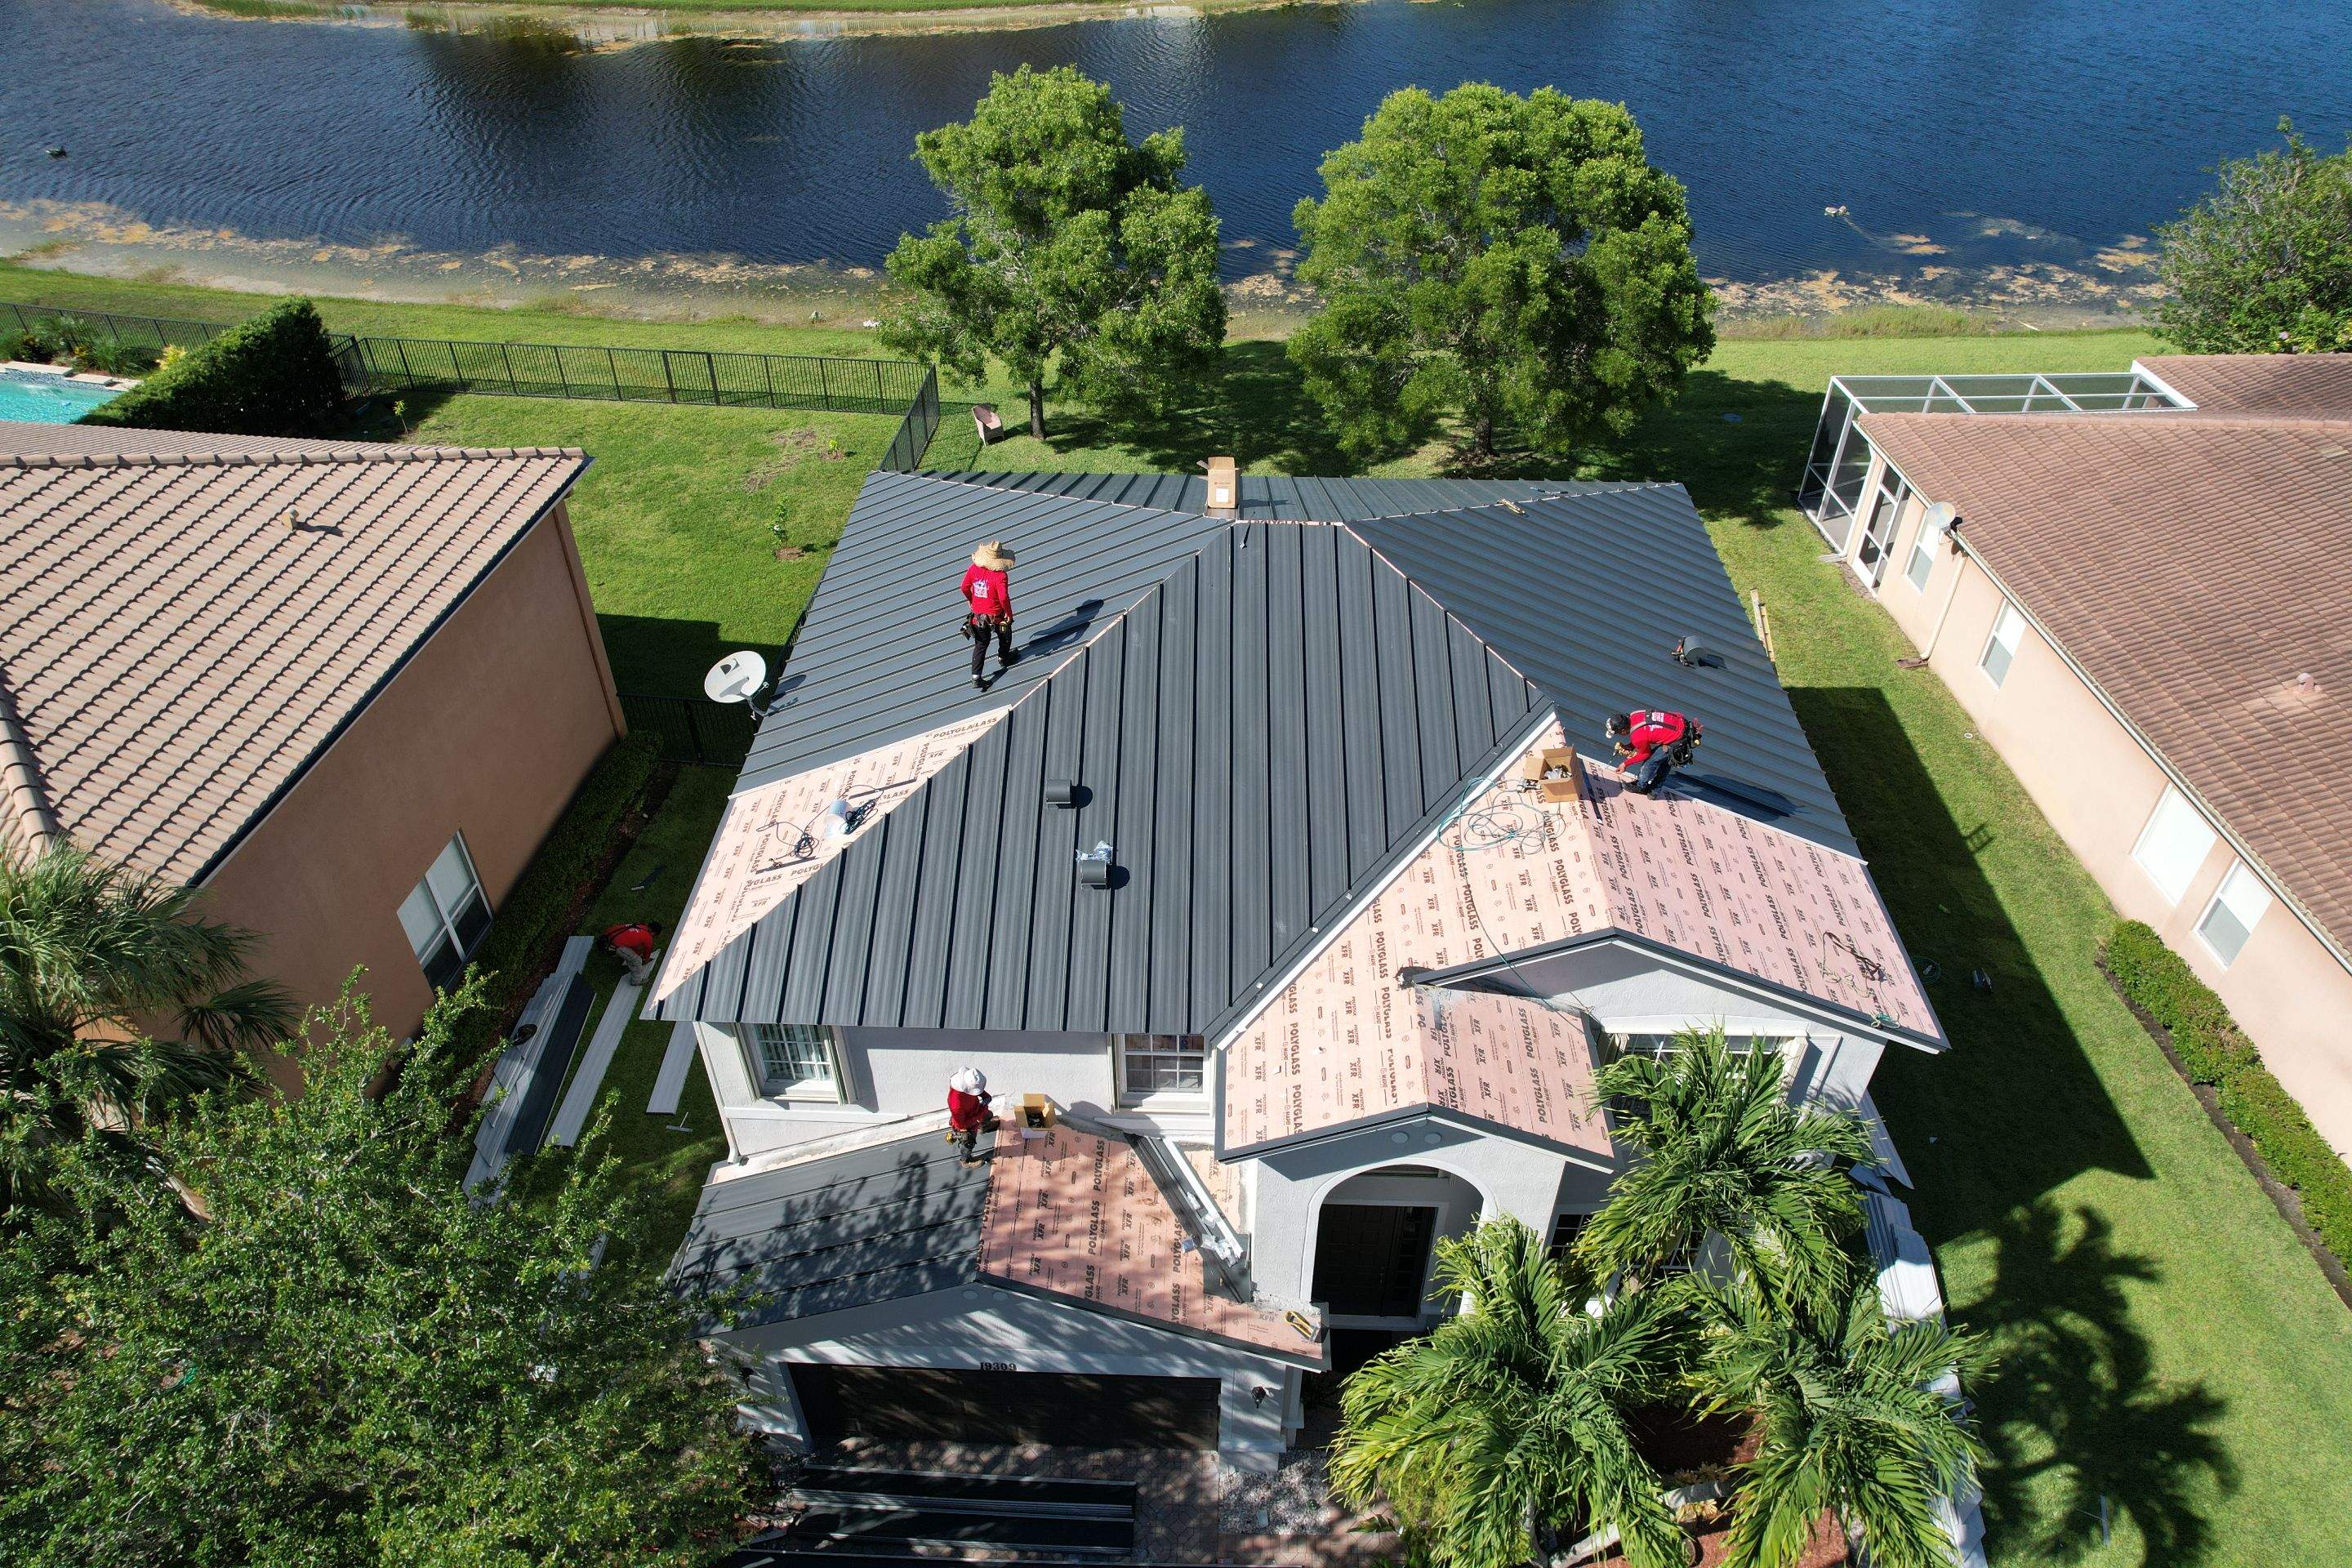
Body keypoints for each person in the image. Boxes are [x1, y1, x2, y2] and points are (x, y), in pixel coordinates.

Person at [960, 541, 1018, 690]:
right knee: (1005, 633)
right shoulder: (1000, 576)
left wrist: (972, 600)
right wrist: (1009, 615)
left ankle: (976, 678)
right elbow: (1003, 598)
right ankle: (1003, 657)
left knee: (981, 645)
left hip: (978, 616)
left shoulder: (974, 569)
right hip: (996, 615)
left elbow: (964, 587)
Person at [1606, 709, 1701, 795]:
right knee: (1665, 762)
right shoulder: (1635, 714)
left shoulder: (1637, 737)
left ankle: (1640, 787)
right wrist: (1630, 746)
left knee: (1650, 762)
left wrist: (1624, 764)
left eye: (1618, 733)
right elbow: (1644, 733)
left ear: (1623, 730)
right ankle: (1654, 791)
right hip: (1681, 724)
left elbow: (1645, 754)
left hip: (1678, 738)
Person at [947, 1067, 996, 1165]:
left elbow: (976, 1090)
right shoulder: (956, 1104)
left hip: (975, 1110)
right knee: (968, 1141)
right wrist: (978, 1116)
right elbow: (962, 1125)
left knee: (988, 1115)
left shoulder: (966, 1082)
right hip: (966, 1124)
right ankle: (966, 1160)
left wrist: (985, 1096)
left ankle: (983, 1127)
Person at [601, 920, 662, 985]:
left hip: (608, 935)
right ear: (654, 933)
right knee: (637, 960)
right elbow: (648, 951)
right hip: (614, 945)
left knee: (632, 955)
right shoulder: (648, 937)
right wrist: (646, 959)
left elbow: (632, 943)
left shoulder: (640, 926)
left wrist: (636, 954)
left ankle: (618, 954)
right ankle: (636, 981)